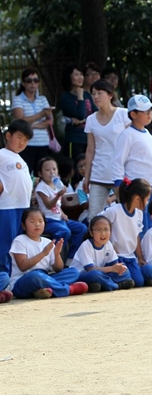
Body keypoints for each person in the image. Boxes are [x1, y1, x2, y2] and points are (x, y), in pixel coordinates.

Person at [9, 208, 85, 299]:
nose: (37, 224)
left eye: (40, 221)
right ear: (23, 225)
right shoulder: (20, 240)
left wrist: (57, 255)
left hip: (45, 277)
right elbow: (23, 266)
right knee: (35, 277)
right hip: (23, 280)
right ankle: (68, 289)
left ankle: (43, 290)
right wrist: (43, 253)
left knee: (73, 272)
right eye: (32, 221)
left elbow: (58, 269)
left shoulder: (47, 242)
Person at [111, 95, 152, 232]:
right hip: (137, 185)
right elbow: (118, 161)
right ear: (133, 114)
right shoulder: (127, 135)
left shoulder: (148, 133)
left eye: (151, 111)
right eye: (145, 111)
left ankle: (148, 251)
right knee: (138, 223)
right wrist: (118, 185)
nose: (149, 114)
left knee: (149, 220)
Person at [83, 79, 129, 221]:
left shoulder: (123, 114)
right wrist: (87, 176)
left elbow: (133, 140)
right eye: (93, 93)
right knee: (94, 216)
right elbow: (90, 149)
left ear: (110, 95)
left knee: (126, 211)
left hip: (120, 172)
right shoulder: (91, 120)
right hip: (99, 172)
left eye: (99, 93)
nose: (96, 96)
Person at [99, 178, 152, 288]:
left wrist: (140, 257)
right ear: (137, 198)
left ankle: (119, 281)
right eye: (146, 199)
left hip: (130, 257)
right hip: (115, 257)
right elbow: (98, 224)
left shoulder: (139, 214)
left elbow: (136, 236)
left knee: (139, 281)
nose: (147, 202)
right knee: (125, 275)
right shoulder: (113, 211)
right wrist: (109, 245)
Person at [34, 157, 87, 261]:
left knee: (82, 228)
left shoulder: (56, 184)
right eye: (47, 170)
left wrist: (62, 213)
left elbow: (57, 206)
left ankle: (71, 257)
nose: (51, 172)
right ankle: (52, 257)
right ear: (40, 173)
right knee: (65, 231)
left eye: (54, 169)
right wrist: (58, 195)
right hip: (49, 220)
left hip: (59, 219)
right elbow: (49, 205)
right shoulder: (41, 188)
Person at [0, 120, 34, 276]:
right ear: (8, 135)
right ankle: (3, 276)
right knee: (5, 244)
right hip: (7, 206)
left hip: (23, 206)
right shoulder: (2, 154)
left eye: (26, 140)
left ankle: (14, 277)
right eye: (19, 137)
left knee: (18, 244)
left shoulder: (21, 159)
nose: (22, 142)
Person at [70, 215, 134, 291]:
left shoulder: (108, 244)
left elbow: (114, 265)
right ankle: (116, 286)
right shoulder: (86, 245)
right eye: (98, 230)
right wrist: (112, 268)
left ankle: (101, 285)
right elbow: (90, 269)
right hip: (83, 275)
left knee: (125, 271)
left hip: (102, 273)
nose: (103, 233)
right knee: (94, 274)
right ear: (91, 233)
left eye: (106, 229)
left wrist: (119, 269)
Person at [10, 68, 53, 173]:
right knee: (26, 173)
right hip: (26, 144)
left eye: (36, 80)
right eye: (29, 81)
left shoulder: (43, 99)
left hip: (43, 142)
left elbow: (50, 122)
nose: (33, 83)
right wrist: (41, 114)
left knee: (43, 173)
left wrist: (31, 125)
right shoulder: (18, 99)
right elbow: (20, 121)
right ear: (23, 83)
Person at [59, 64, 98, 160]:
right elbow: (81, 115)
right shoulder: (66, 97)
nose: (80, 77)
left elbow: (95, 113)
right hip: (75, 139)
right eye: (76, 75)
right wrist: (80, 97)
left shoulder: (87, 95)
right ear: (69, 77)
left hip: (89, 138)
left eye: (81, 74)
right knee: (77, 167)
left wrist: (84, 120)